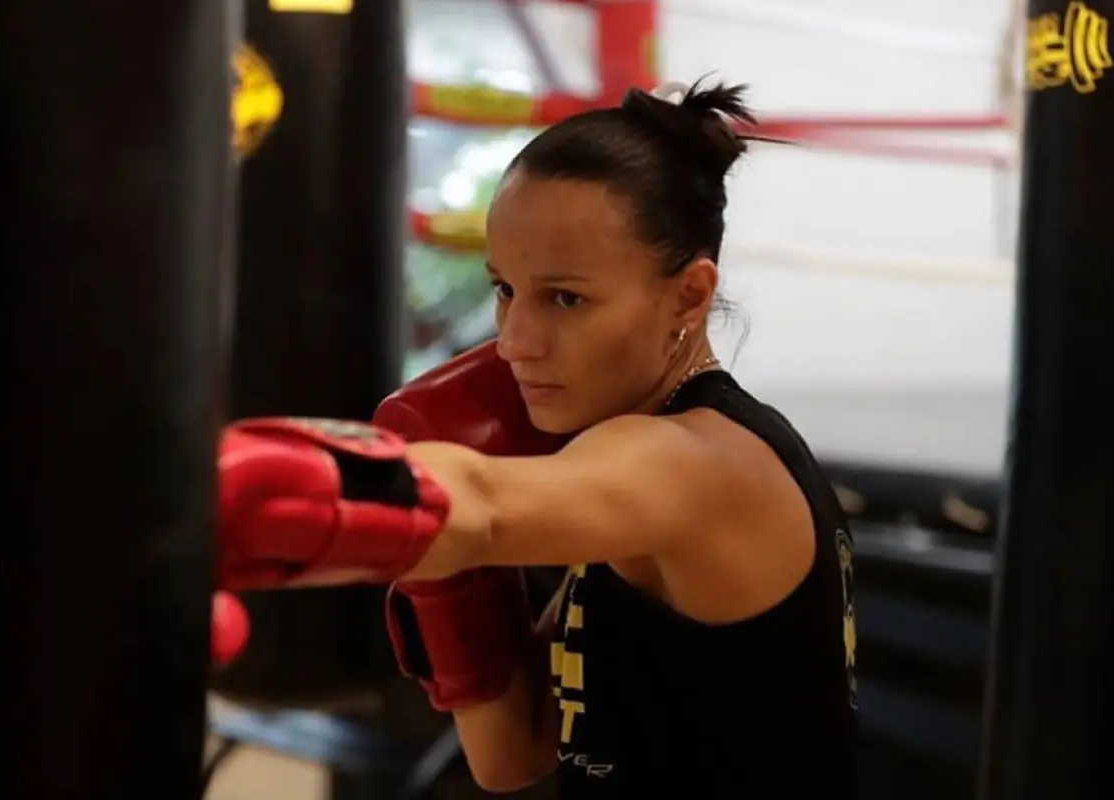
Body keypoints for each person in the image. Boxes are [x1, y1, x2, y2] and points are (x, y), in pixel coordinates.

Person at [216, 79, 858, 797]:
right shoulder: (630, 462)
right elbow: (514, 754)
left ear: (688, 295)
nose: (516, 341)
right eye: (505, 289)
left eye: (565, 298)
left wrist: (235, 486)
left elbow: (483, 502)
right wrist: (450, 570)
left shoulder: (692, 464)